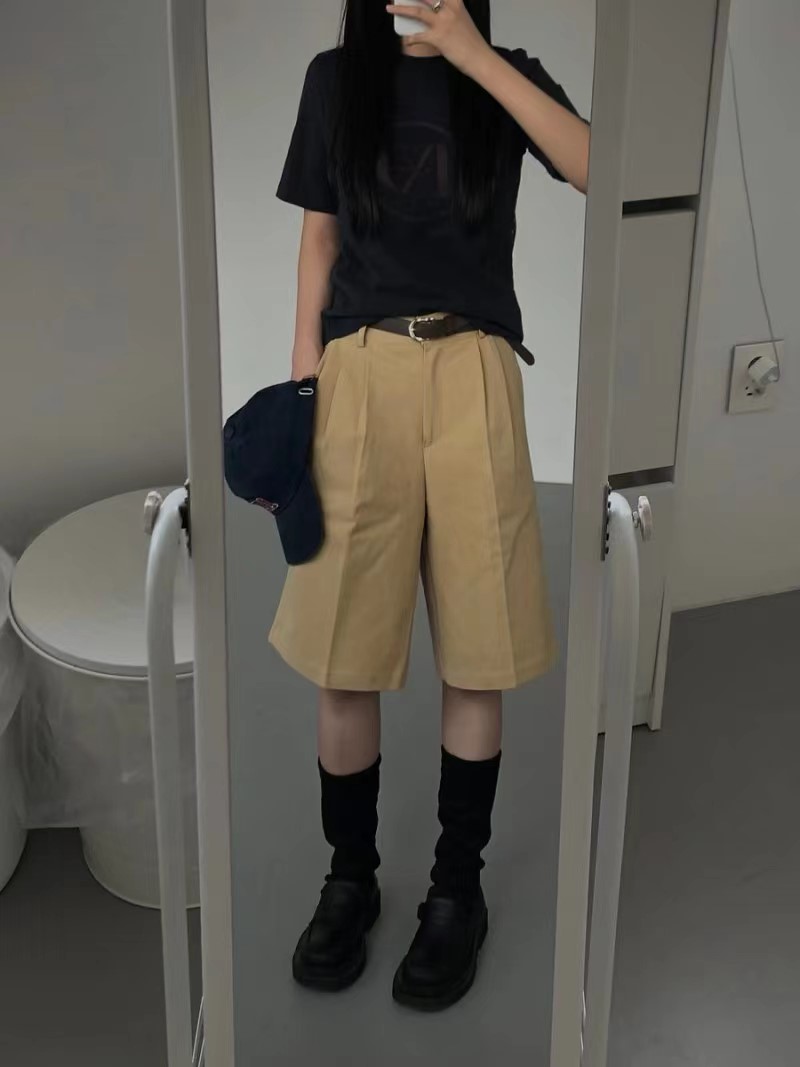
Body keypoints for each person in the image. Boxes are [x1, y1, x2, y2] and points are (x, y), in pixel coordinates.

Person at [269, 0, 590, 1011]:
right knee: (344, 650)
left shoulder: (506, 72)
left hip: (474, 368)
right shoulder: (336, 79)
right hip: (360, 370)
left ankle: (456, 890)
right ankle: (349, 877)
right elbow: (318, 243)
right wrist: (304, 392)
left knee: (478, 650)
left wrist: (472, 56)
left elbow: (597, 166)